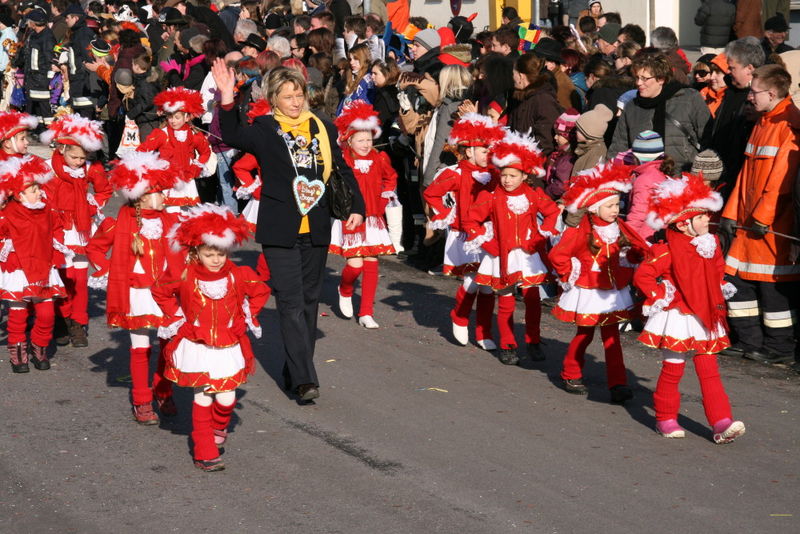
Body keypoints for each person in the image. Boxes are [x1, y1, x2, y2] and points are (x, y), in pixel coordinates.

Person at [214, 63, 365, 403]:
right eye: (288, 97)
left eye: (299, 95)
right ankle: (305, 378)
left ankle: (295, 370)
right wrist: (226, 98)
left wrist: (357, 206)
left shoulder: (322, 127)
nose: (296, 102)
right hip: (280, 228)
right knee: (290, 300)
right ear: (274, 100)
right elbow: (232, 135)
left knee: (309, 302)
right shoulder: (265, 129)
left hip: (317, 226)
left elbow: (341, 170)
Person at [153, 204, 269, 472]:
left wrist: (246, 316)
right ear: (197, 252)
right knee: (203, 396)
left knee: (226, 399)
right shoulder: (185, 274)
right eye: (209, 254)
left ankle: (218, 427)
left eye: (220, 254)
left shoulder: (238, 274)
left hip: (228, 343)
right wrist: (177, 318)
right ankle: (204, 451)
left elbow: (260, 291)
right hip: (197, 344)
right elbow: (160, 290)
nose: (216, 259)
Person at [635, 172, 746, 444]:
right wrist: (661, 293)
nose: (708, 219)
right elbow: (643, 275)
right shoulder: (666, 250)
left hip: (704, 314)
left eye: (707, 215)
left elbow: (717, 269)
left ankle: (721, 422)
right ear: (684, 224)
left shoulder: (710, 244)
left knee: (709, 370)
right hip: (679, 316)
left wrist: (718, 287)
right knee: (673, 369)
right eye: (701, 216)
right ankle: (665, 418)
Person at [86, 151, 182, 424]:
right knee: (141, 348)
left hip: (166, 293)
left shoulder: (171, 221)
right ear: (141, 196)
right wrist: (110, 272)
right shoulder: (121, 223)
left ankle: (163, 389)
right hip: (137, 293)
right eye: (158, 192)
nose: (164, 196)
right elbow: (94, 248)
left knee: (170, 345)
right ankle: (142, 400)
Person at [719, 64, 800, 364]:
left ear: (772, 93)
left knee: (772, 290)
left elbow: (782, 181)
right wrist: (731, 214)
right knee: (737, 280)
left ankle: (780, 348)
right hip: (748, 223)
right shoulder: (764, 121)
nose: (749, 97)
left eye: (754, 92)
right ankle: (748, 340)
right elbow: (746, 174)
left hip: (771, 225)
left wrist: (762, 219)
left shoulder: (788, 125)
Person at [549, 162, 649, 401]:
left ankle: (618, 383)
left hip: (612, 294)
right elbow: (557, 255)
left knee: (612, 338)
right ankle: (571, 373)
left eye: (617, 204)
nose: (615, 209)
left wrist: (633, 257)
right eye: (609, 205)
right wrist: (572, 274)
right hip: (589, 292)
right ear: (595, 208)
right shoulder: (582, 230)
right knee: (584, 335)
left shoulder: (620, 227)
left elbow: (638, 248)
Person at [465, 130, 561, 366]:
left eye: (513, 176)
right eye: (504, 175)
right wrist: (488, 242)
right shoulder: (490, 196)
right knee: (505, 300)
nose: (507, 180)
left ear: (524, 176)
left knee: (532, 299)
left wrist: (542, 233)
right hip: (502, 256)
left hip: (528, 256)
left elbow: (552, 212)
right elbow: (470, 221)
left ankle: (533, 340)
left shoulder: (534, 194)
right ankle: (508, 344)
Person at [423, 113, 504, 349]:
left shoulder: (496, 175)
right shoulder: (456, 174)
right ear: (468, 151)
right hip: (465, 235)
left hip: (488, 234)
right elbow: (431, 193)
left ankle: (483, 332)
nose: (488, 154)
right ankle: (459, 316)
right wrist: (446, 214)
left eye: (490, 150)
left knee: (487, 285)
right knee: (471, 282)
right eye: (484, 150)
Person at [41, 115, 112, 347]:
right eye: (74, 157)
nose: (78, 162)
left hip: (81, 229)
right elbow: (34, 192)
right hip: (55, 229)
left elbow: (104, 191)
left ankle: (78, 322)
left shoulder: (91, 168)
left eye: (83, 158)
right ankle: (62, 319)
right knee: (64, 277)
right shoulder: (47, 167)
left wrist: (91, 205)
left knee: (80, 280)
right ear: (62, 149)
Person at [331, 102, 397, 329]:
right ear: (349, 141)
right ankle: (345, 288)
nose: (366, 144)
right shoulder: (344, 160)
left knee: (371, 262)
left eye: (369, 139)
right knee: (355, 264)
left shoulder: (380, 158)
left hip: (373, 218)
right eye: (360, 140)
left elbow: (390, 178)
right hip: (351, 217)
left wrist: (384, 199)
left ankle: (366, 312)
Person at [0, 156, 65, 373]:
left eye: (39, 188)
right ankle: (18, 354)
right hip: (19, 268)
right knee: (18, 315)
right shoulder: (8, 213)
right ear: (19, 194)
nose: (39, 192)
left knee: (46, 314)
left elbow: (57, 228)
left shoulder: (46, 209)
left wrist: (57, 250)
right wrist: (7, 251)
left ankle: (39, 346)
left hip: (43, 266)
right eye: (33, 190)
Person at [608, 52, 710, 173]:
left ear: (661, 79)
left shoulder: (689, 99)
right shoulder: (632, 107)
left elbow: (708, 139)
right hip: (644, 179)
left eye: (644, 78)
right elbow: (619, 148)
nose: (638, 83)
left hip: (684, 177)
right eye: (637, 77)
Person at [137, 87, 212, 212]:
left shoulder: (194, 135)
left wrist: (197, 166)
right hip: (168, 182)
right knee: (171, 212)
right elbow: (143, 150)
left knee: (188, 213)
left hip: (187, 180)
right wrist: (151, 168)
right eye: (170, 117)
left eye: (177, 117)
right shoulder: (162, 134)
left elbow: (205, 152)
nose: (173, 121)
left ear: (187, 118)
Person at [710, 38, 765, 194]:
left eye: (732, 68)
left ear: (749, 69)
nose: (728, 71)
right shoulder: (731, 91)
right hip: (721, 177)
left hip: (741, 181)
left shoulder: (760, 100)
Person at [507, 53, 562, 156]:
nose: (512, 77)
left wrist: (526, 159)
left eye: (513, 73)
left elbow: (546, 144)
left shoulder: (543, 100)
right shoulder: (520, 97)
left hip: (534, 161)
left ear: (521, 76)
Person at [625, 130, 672, 241]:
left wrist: (626, 237)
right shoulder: (661, 173)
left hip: (642, 237)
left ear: (638, 158)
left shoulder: (643, 180)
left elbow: (638, 214)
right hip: (656, 234)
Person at [544, 108, 579, 200]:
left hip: (554, 198)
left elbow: (561, 186)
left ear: (569, 136)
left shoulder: (568, 159)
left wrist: (546, 194)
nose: (555, 137)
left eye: (559, 134)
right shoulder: (559, 153)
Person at [572, 104, 613, 174]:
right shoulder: (587, 147)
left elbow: (587, 177)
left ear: (588, 133)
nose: (576, 131)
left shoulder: (596, 154)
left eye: (578, 130)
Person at [337, 43, 375, 113]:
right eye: (350, 59)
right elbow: (345, 101)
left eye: (355, 59)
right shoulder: (350, 75)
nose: (351, 62)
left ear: (363, 58)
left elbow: (366, 104)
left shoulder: (368, 79)